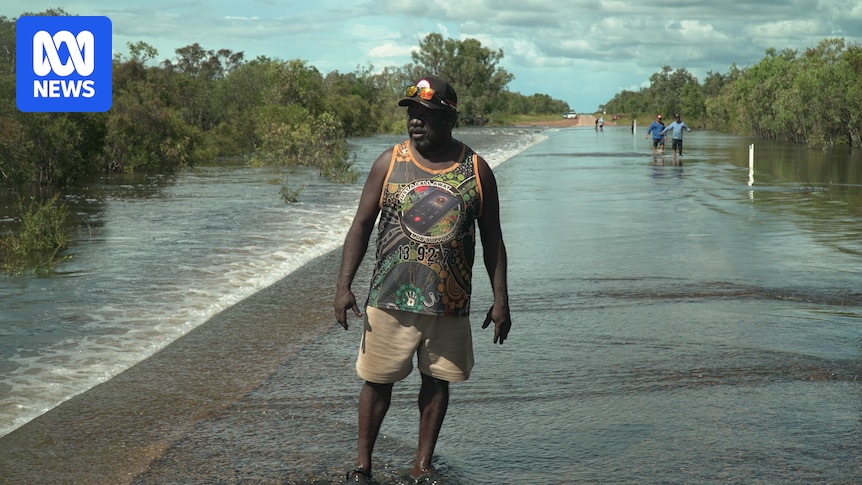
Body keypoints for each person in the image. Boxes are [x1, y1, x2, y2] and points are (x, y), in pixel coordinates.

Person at [334, 75, 512, 484]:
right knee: (377, 382)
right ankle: (362, 466)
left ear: (449, 118)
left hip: (450, 301)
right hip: (389, 298)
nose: (415, 120)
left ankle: (422, 465)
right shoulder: (389, 162)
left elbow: (493, 238)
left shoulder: (477, 169)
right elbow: (360, 226)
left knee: (437, 382)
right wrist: (343, 287)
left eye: (425, 113)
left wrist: (501, 300)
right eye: (412, 112)